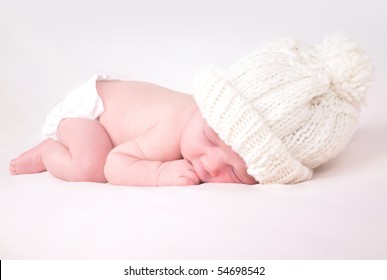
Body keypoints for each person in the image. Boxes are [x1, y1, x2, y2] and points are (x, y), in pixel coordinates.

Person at [9, 32, 374, 186]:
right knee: (90, 165)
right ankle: (50, 151)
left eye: (235, 171)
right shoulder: (171, 131)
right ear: (205, 109)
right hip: (92, 112)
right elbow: (115, 163)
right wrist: (157, 175)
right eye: (209, 138)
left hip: (119, 101)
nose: (211, 164)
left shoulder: (200, 128)